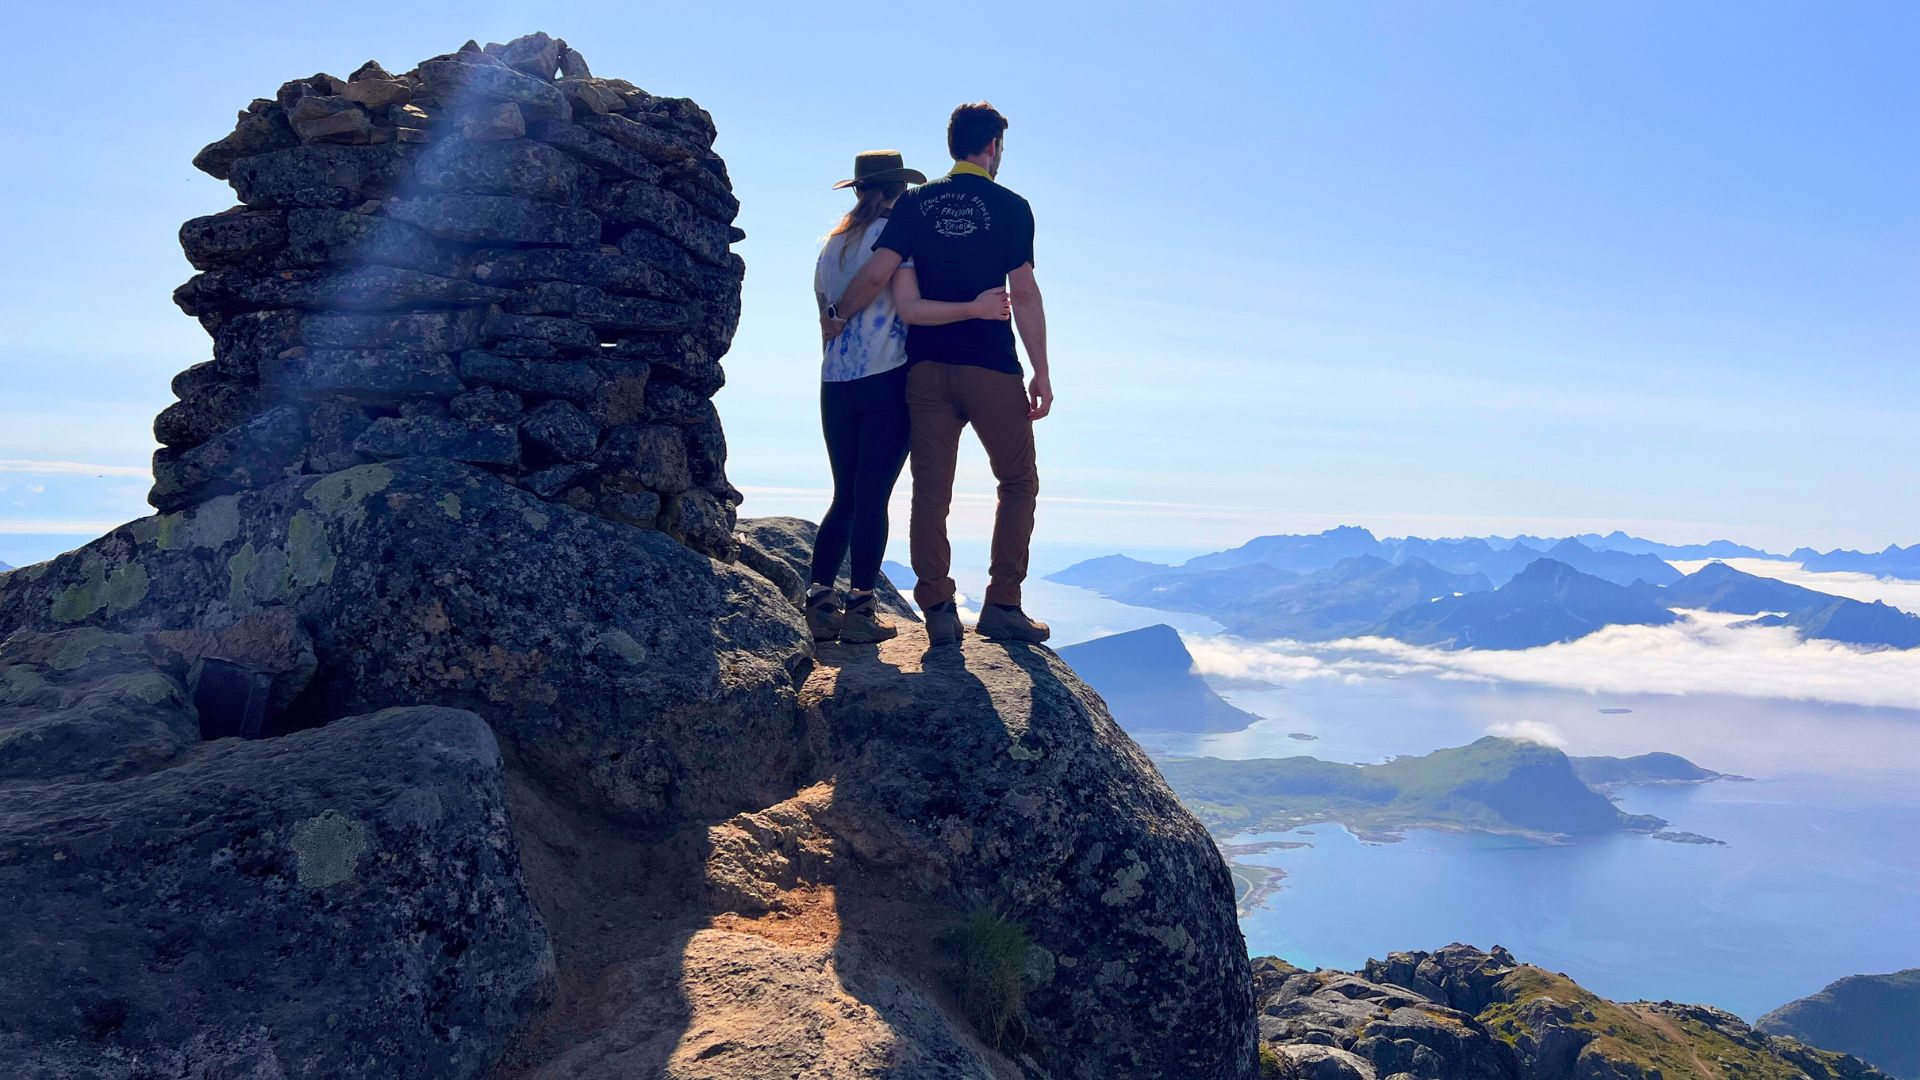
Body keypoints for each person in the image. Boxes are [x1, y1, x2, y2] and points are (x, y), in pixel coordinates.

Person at [827, 103, 1052, 646]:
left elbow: (879, 271)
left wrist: (836, 317)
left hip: (925, 370)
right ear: (993, 146)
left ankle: (939, 609)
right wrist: (1041, 371)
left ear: (954, 145)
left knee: (931, 490)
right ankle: (1002, 604)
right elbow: (1021, 293)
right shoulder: (1012, 207)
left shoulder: (917, 204)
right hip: (990, 367)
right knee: (1018, 481)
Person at [806, 150, 1011, 643]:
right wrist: (977, 307)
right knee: (873, 496)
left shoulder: (829, 247)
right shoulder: (892, 239)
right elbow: (903, 301)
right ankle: (860, 610)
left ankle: (817, 602)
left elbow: (825, 322)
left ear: (858, 190)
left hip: (836, 382)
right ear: (898, 192)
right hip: (886, 377)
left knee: (845, 497)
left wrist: (837, 324)